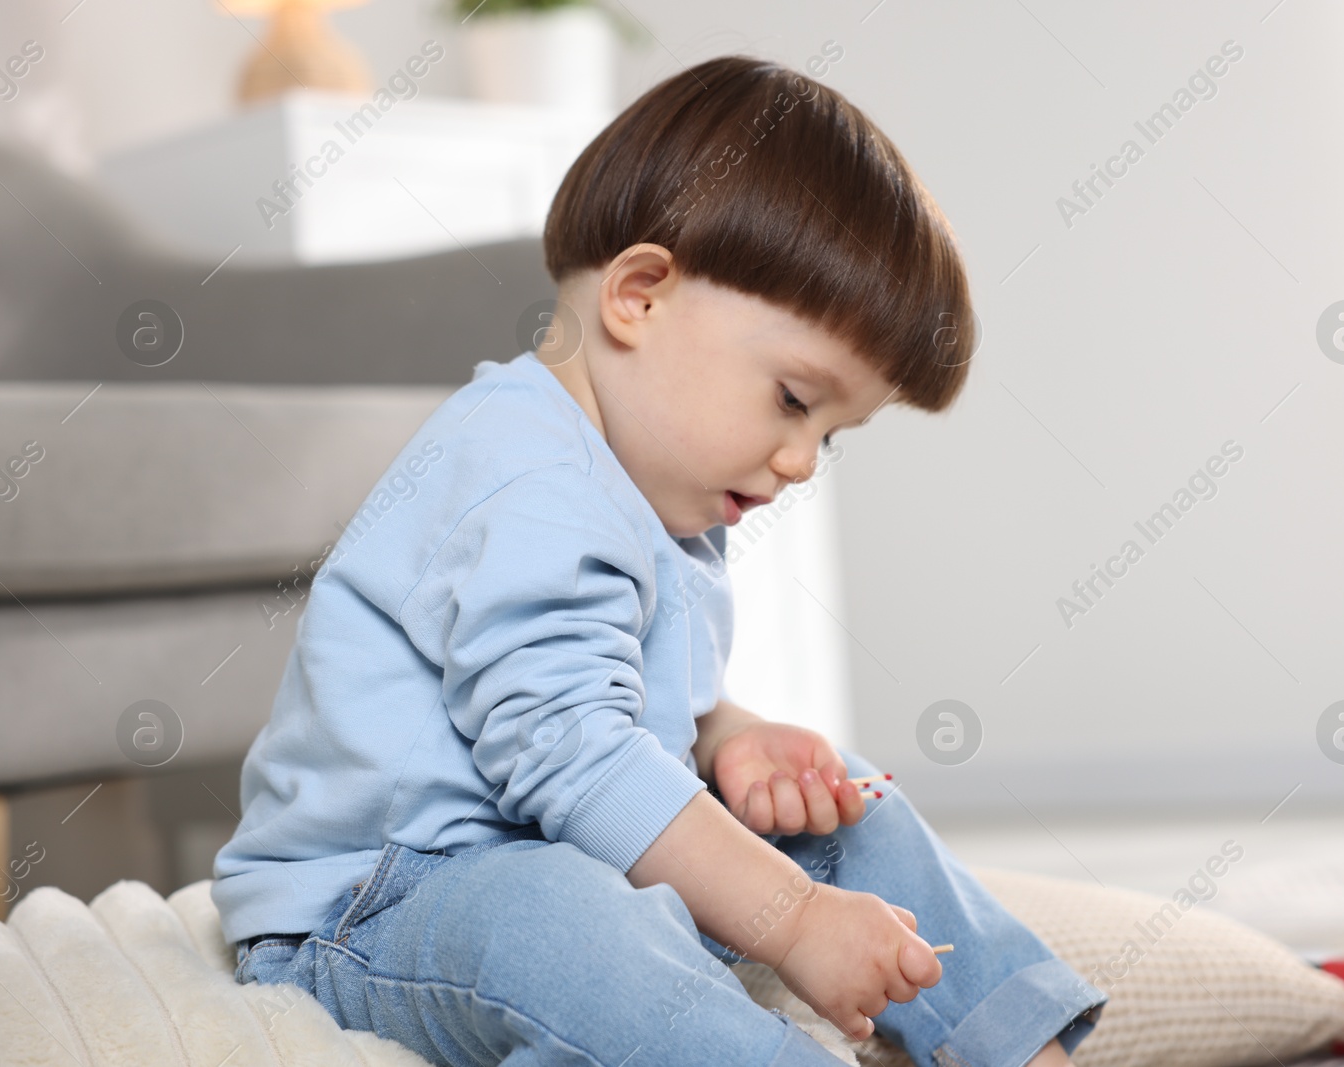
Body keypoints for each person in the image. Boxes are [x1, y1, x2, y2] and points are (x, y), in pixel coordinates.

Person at [213, 53, 1106, 1067]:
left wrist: (729, 732)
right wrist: (795, 917)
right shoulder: (523, 473)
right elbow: (569, 754)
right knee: (557, 917)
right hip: (371, 908)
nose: (803, 461)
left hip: (554, 851)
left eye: (833, 434)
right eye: (792, 399)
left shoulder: (651, 485)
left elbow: (616, 701)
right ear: (638, 295)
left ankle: (1013, 1039)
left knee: (835, 789)